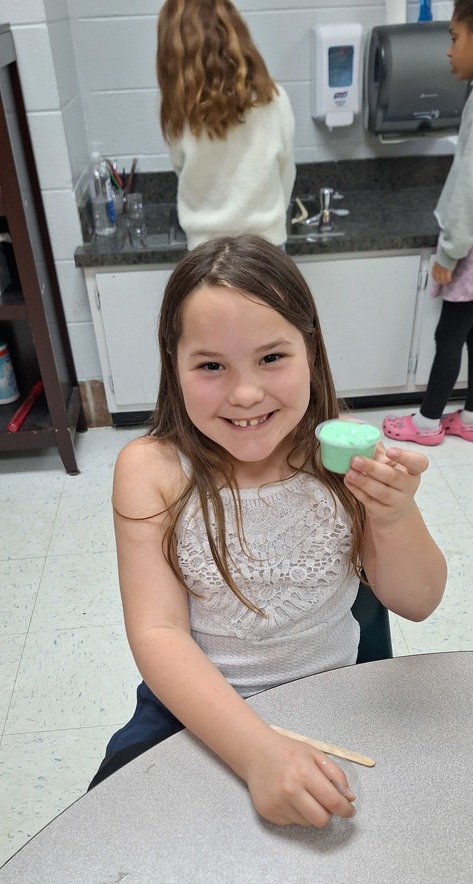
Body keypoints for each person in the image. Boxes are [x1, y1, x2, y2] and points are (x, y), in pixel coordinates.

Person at [89, 235, 447, 828]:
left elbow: (419, 602)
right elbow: (158, 632)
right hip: (198, 709)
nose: (246, 393)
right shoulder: (151, 470)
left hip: (337, 695)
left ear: (310, 351)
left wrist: (394, 515)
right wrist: (256, 752)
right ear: (173, 364)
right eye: (210, 366)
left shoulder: (340, 451)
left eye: (271, 358)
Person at [383, 0, 473, 447]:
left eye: (454, 38)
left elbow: (468, 186)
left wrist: (448, 253)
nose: (448, 51)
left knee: (448, 335)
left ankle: (427, 422)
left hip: (468, 248)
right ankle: (470, 417)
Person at [156, 0, 296, 250]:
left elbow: (181, 170)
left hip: (205, 251)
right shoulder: (273, 100)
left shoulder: (179, 111)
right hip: (267, 247)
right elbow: (286, 170)